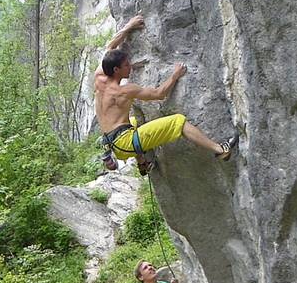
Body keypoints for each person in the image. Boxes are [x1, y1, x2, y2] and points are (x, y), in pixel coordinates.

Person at [94, 15, 238, 174]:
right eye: (126, 65)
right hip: (126, 144)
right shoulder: (125, 91)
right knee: (178, 122)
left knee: (132, 121)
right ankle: (219, 149)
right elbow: (159, 94)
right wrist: (175, 75)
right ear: (116, 70)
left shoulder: (99, 77)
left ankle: (142, 163)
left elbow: (110, 46)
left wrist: (129, 26)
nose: (131, 67)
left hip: (113, 144)